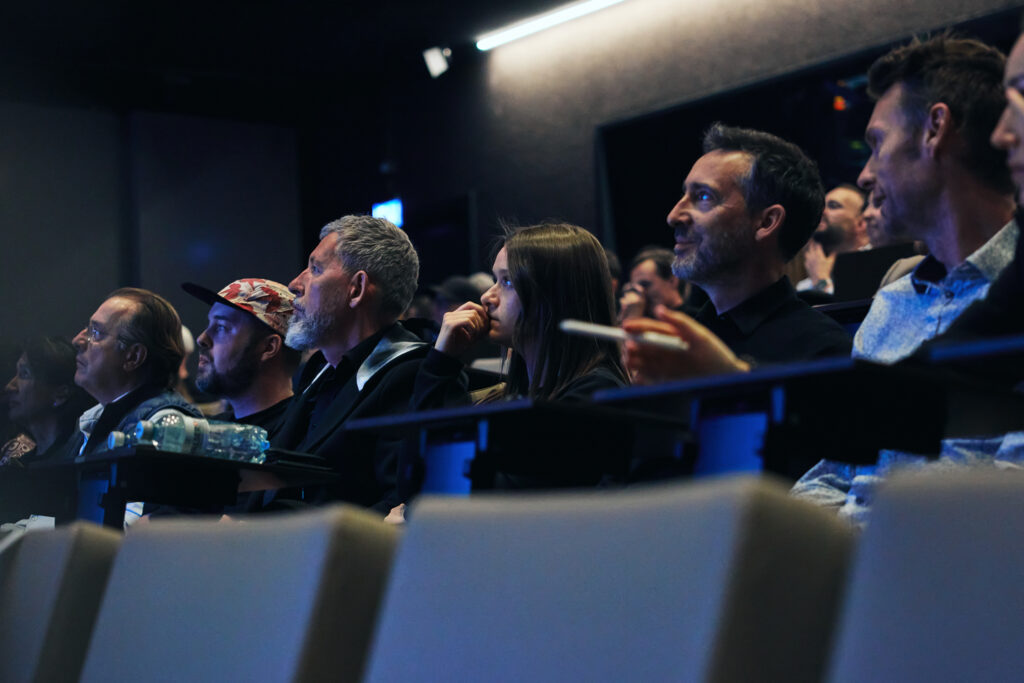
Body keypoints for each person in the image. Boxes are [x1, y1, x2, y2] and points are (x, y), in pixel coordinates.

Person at [623, 123, 851, 382]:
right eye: (684, 194)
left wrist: (730, 375)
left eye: (703, 197)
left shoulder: (824, 349)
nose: (673, 216)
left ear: (766, 222)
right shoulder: (678, 342)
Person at [270, 215, 430, 513]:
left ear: (356, 288)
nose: (294, 284)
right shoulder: (317, 371)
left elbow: (400, 507)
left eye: (315, 269)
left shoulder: (411, 374)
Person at [414, 222, 630, 408]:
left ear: (556, 296)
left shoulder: (595, 395)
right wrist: (443, 360)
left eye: (507, 281)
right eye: (495, 280)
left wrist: (440, 366)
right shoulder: (520, 391)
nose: (486, 297)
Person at [70, 288, 202, 459]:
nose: (77, 341)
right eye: (87, 329)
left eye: (96, 332)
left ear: (133, 357)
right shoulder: (92, 419)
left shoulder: (165, 426)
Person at [182, 278, 301, 438]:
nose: (201, 339)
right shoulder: (211, 432)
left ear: (269, 347)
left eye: (221, 327)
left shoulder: (300, 435)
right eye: (209, 324)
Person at [1, 336, 94, 467]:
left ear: (60, 394)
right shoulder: (19, 464)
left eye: (24, 374)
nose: (10, 386)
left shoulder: (78, 458)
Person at [797, 184, 868, 294]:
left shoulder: (874, 267)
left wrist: (821, 281)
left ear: (860, 223)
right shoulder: (804, 287)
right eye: (821, 205)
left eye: (833, 206)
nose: (821, 211)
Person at [619, 247, 690, 320]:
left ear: (672, 281)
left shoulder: (695, 320)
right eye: (634, 288)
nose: (639, 293)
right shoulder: (645, 318)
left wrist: (633, 320)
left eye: (645, 285)